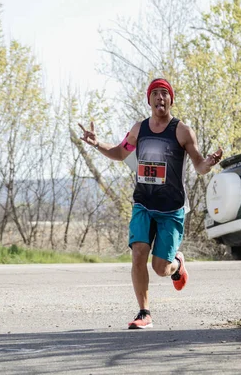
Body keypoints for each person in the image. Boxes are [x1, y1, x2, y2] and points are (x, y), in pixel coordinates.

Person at [79, 78, 223, 329]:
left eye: (164, 94)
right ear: (149, 100)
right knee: (138, 255)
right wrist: (96, 143)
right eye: (155, 93)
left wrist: (208, 163)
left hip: (171, 210)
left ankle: (177, 264)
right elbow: (119, 152)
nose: (160, 98)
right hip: (143, 204)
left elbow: (199, 165)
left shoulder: (182, 131)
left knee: (160, 267)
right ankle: (144, 313)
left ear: (170, 100)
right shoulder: (139, 129)